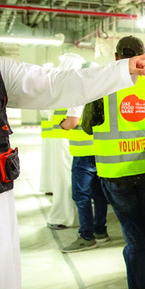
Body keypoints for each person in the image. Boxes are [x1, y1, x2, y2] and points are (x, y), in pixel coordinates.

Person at [0, 47, 145, 289]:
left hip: (105, 166)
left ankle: (91, 235)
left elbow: (57, 84)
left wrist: (120, 71)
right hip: (134, 167)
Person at [82, 36, 145, 289]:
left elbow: (87, 126)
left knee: (133, 236)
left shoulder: (102, 90)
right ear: (143, 57)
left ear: (117, 58)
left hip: (116, 174)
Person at [61, 92, 109, 253]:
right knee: (99, 193)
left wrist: (62, 124)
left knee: (81, 195)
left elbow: (72, 122)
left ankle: (86, 236)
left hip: (83, 153)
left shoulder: (78, 96)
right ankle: (100, 231)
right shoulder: (102, 94)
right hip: (100, 150)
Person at [43, 53, 86, 230]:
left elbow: (69, 119)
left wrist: (62, 125)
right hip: (65, 140)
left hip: (64, 140)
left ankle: (65, 217)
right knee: (66, 179)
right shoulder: (70, 87)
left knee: (65, 180)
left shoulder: (62, 88)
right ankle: (67, 216)